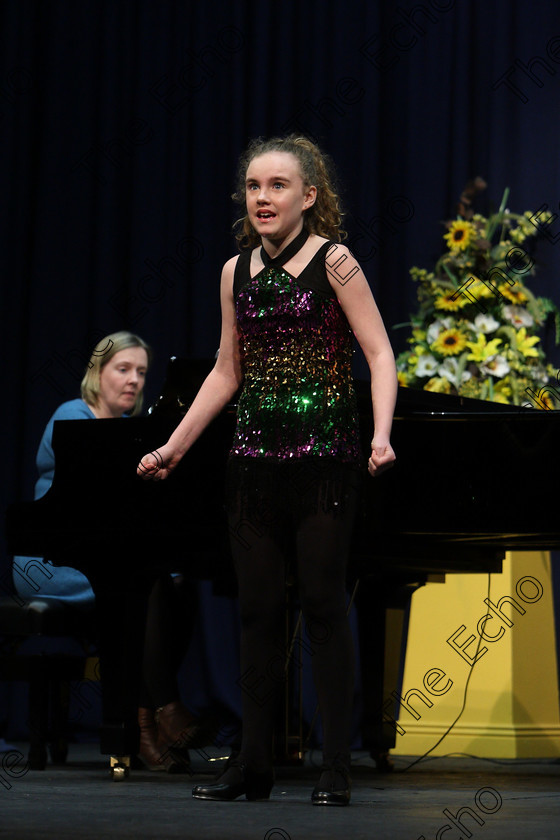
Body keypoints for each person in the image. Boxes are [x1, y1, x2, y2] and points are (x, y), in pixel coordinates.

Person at [137, 135, 397, 805]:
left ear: (309, 197)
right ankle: (253, 764)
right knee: (256, 613)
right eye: (254, 187)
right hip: (253, 464)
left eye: (278, 186)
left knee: (322, 607)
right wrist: (173, 447)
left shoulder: (335, 263)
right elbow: (228, 370)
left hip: (323, 463)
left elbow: (379, 354)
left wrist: (383, 435)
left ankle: (335, 767)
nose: (262, 198)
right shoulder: (234, 272)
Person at [12, 331, 204, 773]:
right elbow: (83, 513)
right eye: (123, 369)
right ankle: (165, 711)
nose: (134, 380)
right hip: (52, 560)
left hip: (102, 553)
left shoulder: (130, 433)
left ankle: (143, 726)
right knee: (144, 582)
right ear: (97, 375)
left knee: (176, 587)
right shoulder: (75, 416)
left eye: (141, 372)